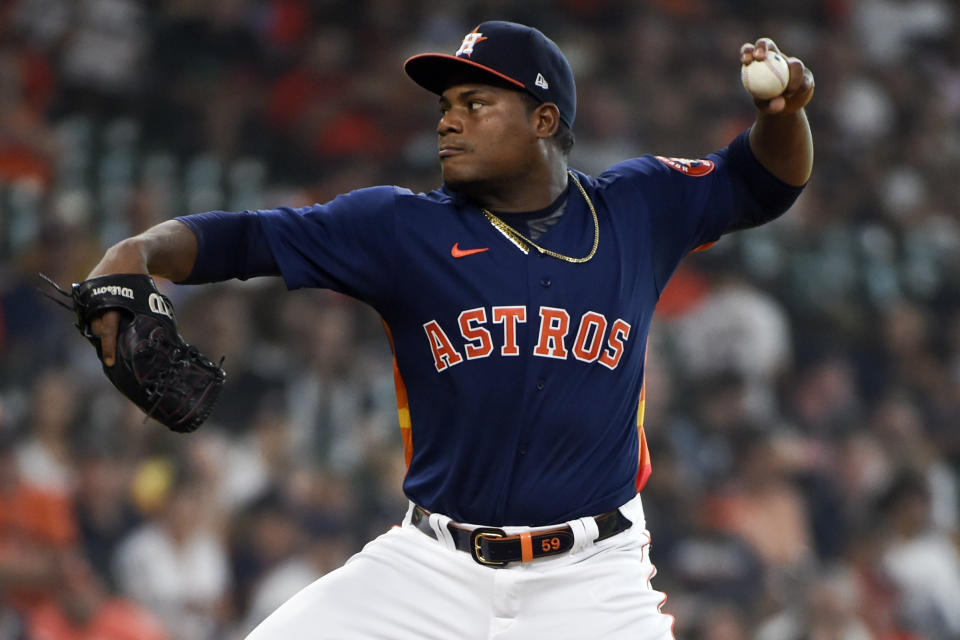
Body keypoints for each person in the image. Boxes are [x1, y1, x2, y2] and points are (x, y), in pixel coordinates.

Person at [83, 20, 813, 640]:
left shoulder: (637, 208)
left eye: (475, 101)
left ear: (544, 120)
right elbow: (245, 239)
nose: (447, 119)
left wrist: (782, 115)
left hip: (592, 577)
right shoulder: (401, 228)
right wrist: (136, 253)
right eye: (445, 104)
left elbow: (764, 183)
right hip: (431, 566)